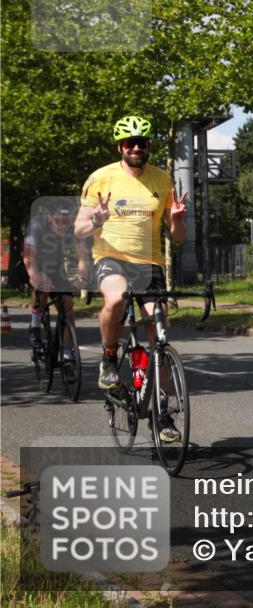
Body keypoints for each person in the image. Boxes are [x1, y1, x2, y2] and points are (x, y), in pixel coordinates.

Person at [75, 115, 189, 441]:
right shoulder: (101, 179)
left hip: (150, 263)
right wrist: (95, 218)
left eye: (142, 142)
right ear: (120, 147)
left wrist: (178, 219)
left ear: (148, 145)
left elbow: (178, 237)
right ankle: (109, 357)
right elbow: (79, 228)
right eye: (130, 142)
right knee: (115, 298)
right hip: (111, 258)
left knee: (160, 334)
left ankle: (162, 413)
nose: (137, 147)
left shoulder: (163, 180)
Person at [25, 202, 90, 354]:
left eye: (66, 221)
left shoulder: (73, 228)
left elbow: (83, 257)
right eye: (58, 221)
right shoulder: (37, 225)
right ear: (49, 218)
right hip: (35, 263)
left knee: (68, 310)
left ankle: (67, 353)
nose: (63, 225)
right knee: (43, 286)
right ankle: (34, 326)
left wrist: (82, 278)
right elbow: (29, 257)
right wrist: (36, 277)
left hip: (56, 266)